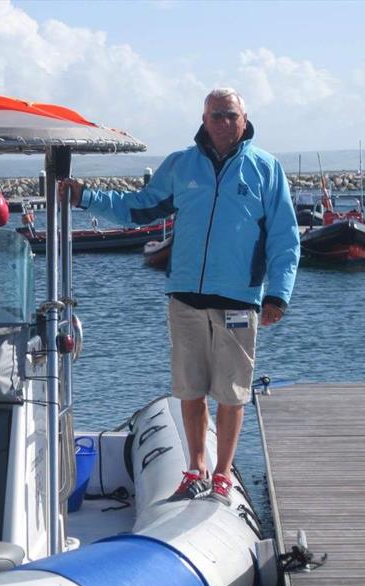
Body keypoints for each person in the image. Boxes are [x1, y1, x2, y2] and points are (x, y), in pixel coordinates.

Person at [59, 88, 300, 506]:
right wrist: (85, 197)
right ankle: (196, 468)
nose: (222, 122)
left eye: (229, 115)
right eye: (214, 115)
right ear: (203, 119)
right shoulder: (182, 165)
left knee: (231, 392)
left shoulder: (265, 169)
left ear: (245, 118)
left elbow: (284, 237)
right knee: (189, 389)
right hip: (185, 297)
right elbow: (139, 207)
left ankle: (223, 474)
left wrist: (278, 293)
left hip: (239, 301)